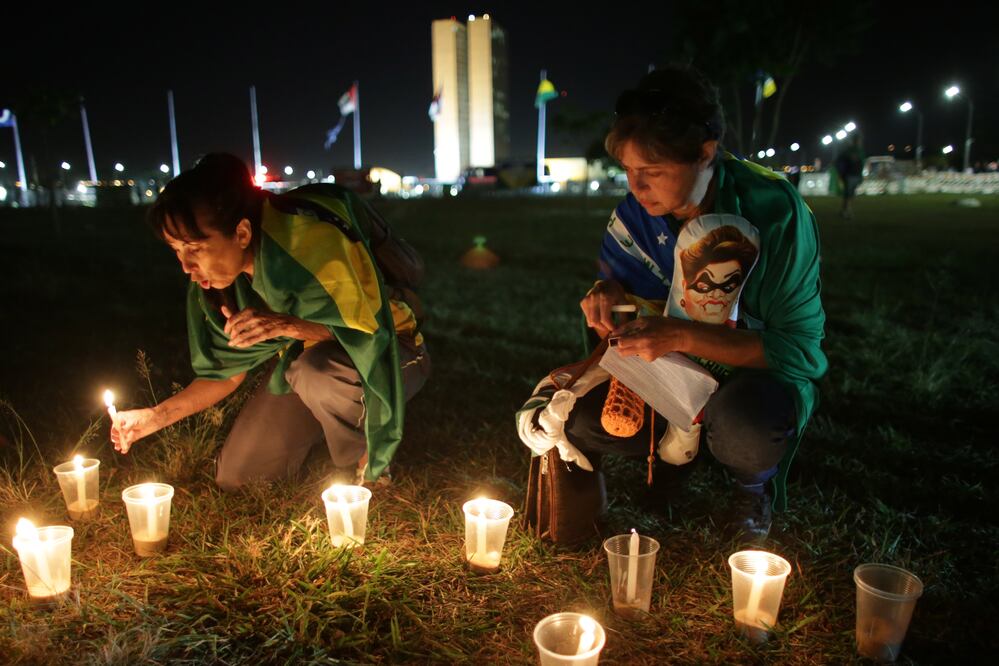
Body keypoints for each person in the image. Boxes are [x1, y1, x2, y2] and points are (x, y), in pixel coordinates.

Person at [520, 65, 827, 539]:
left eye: (653, 172)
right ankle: (666, 460)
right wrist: (609, 303)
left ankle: (750, 490)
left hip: (746, 383)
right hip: (665, 375)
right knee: (579, 414)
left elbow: (799, 351)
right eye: (628, 171)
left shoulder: (773, 211)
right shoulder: (636, 218)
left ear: (705, 154)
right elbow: (621, 333)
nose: (636, 188)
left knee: (748, 425)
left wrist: (682, 334)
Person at [110, 154, 430, 489]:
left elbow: (369, 330)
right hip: (305, 366)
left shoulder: (311, 243)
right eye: (177, 250)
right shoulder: (214, 285)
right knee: (238, 477)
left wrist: (287, 325)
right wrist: (154, 417)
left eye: (196, 248)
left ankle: (371, 466)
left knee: (316, 375)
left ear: (242, 233)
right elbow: (226, 374)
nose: (187, 267)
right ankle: (333, 418)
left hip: (393, 350)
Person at [834, 132, 864, 219]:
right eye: (858, 140)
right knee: (848, 194)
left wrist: (860, 176)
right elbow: (838, 161)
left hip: (856, 175)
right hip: (849, 175)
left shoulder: (860, 151)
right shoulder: (849, 151)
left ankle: (845, 211)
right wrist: (841, 172)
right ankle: (846, 212)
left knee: (851, 195)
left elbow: (861, 164)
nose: (859, 142)